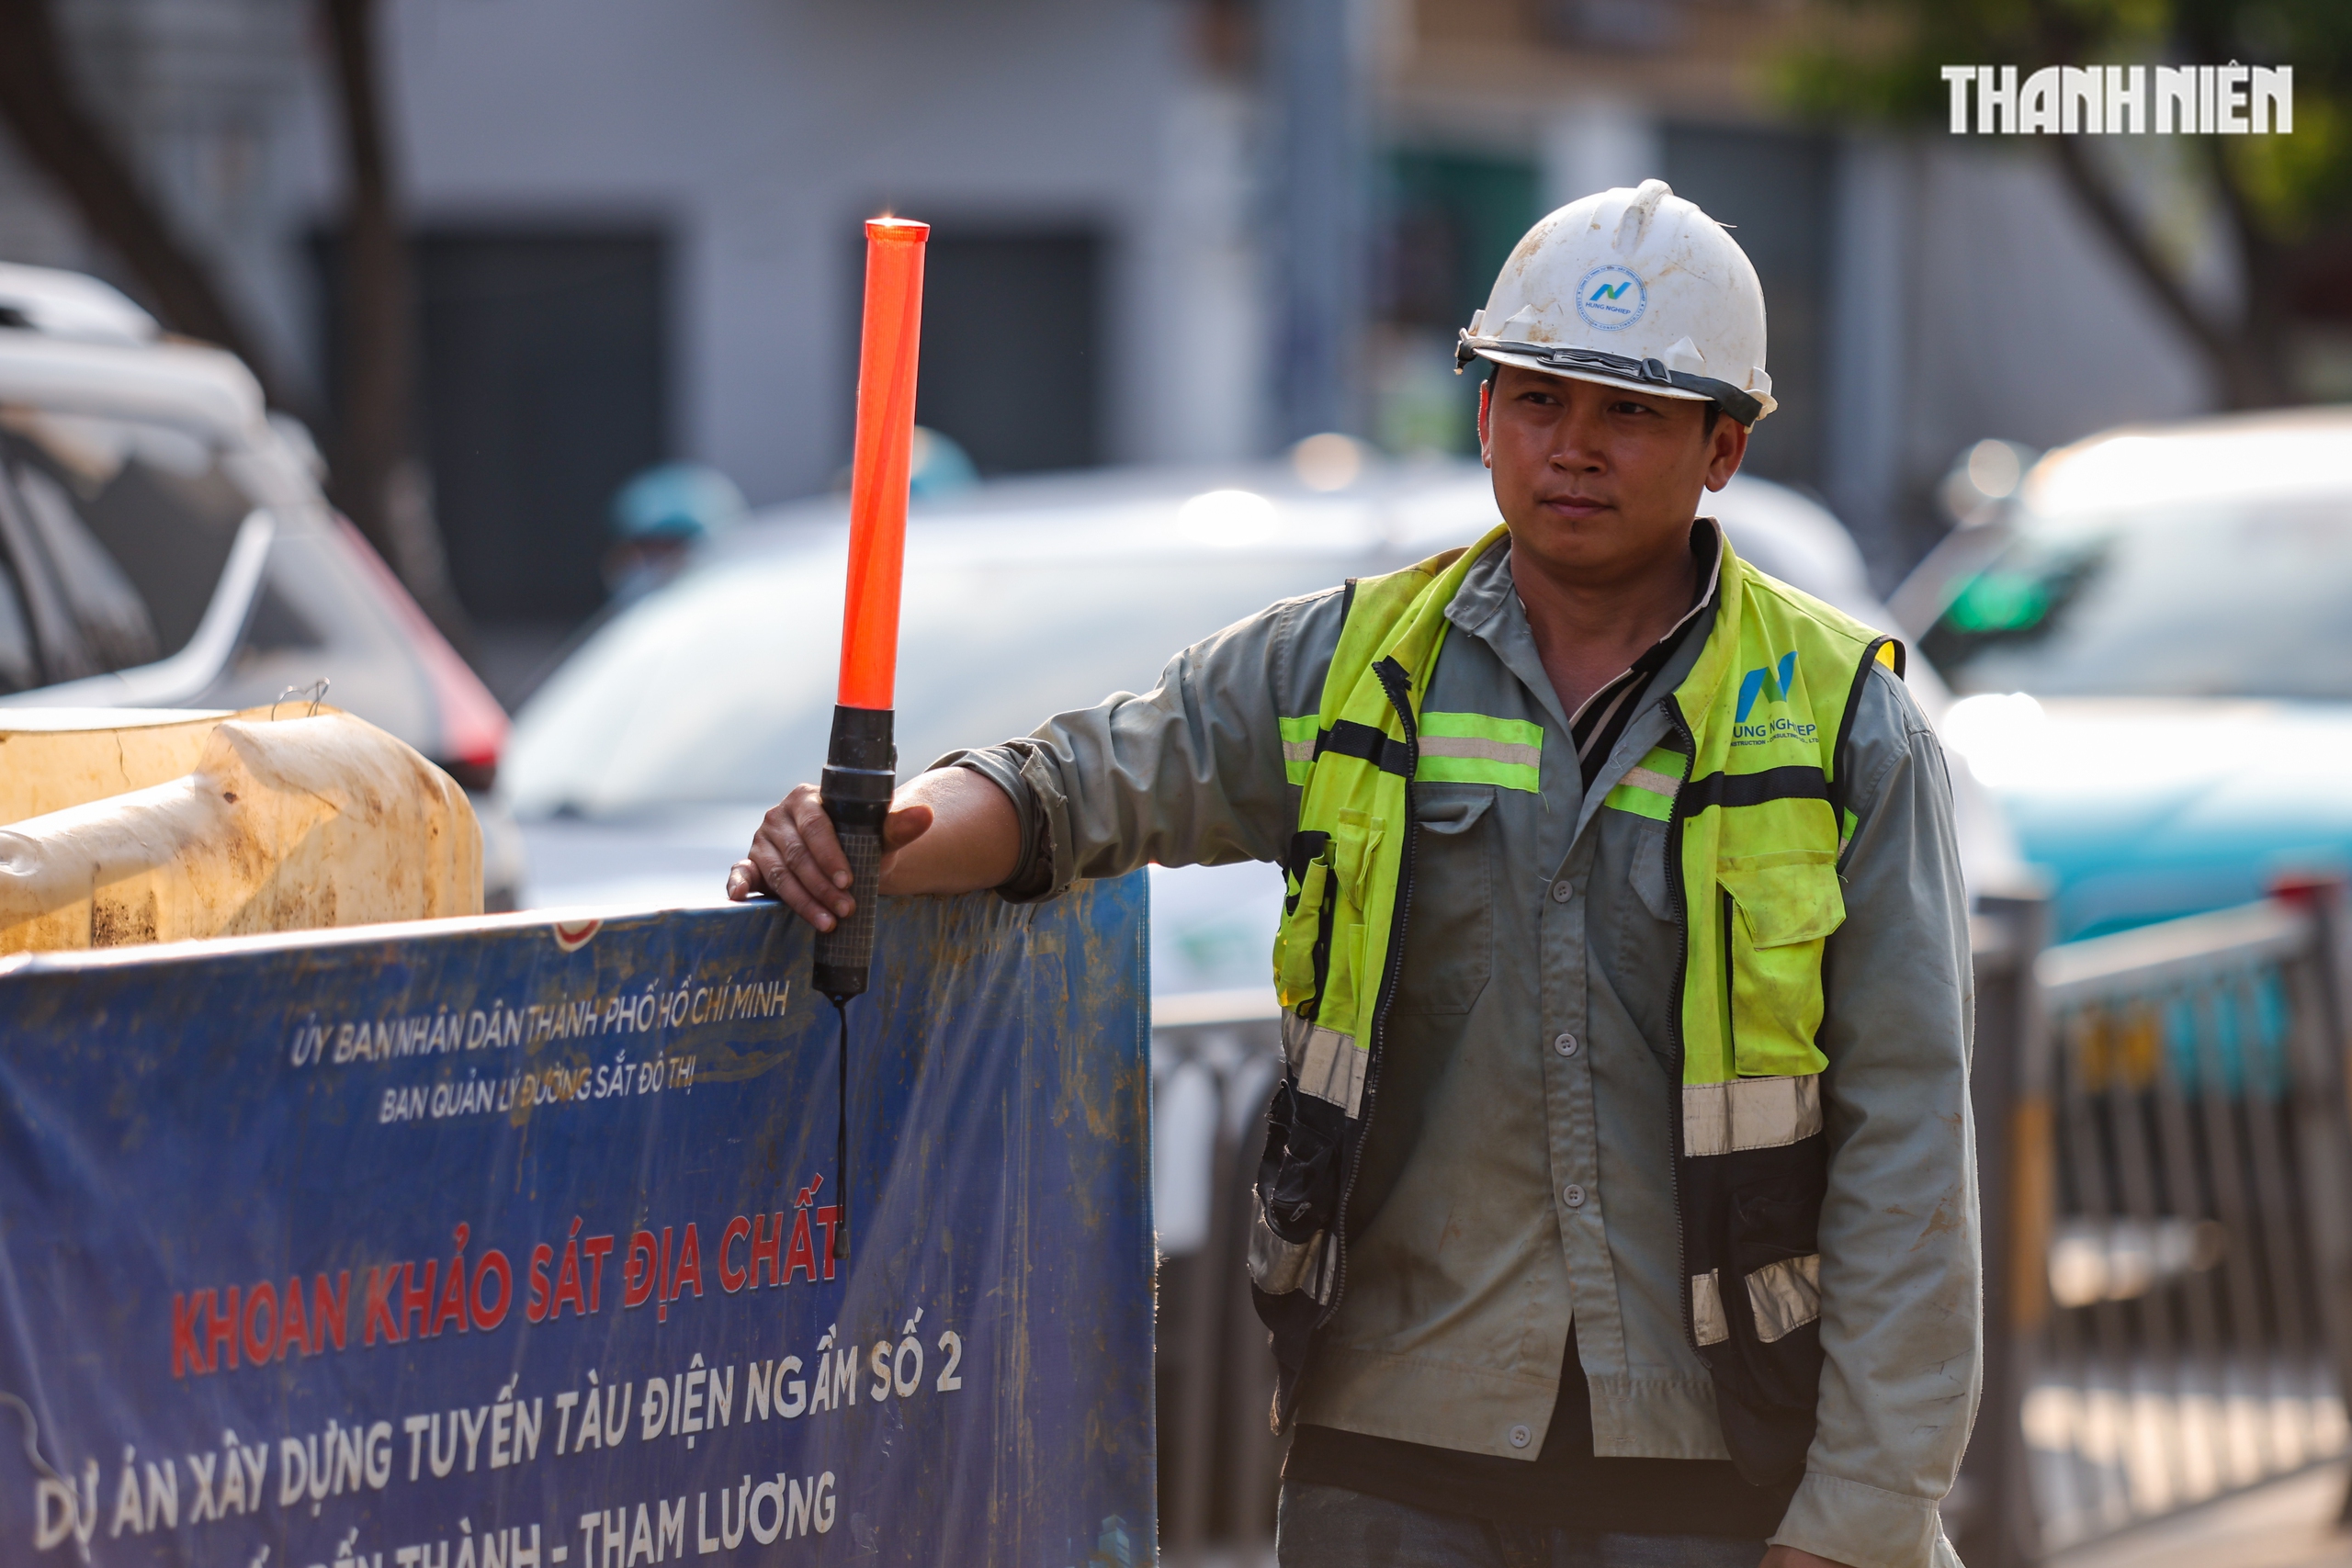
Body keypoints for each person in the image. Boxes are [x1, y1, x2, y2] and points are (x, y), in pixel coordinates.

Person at [728, 180, 1978, 1568]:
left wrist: (1862, 1516)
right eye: (1536, 397)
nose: (1572, 447)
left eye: (1629, 412)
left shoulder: (1840, 721)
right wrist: (883, 835)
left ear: (1722, 448)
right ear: (1485, 408)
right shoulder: (1354, 662)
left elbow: (1908, 1145)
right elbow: (1083, 783)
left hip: (1714, 1458)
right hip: (1392, 1440)